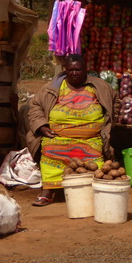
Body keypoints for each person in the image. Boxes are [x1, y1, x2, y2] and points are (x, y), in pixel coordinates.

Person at [26, 54, 117, 206]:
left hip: (90, 139)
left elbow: (115, 101)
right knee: (49, 148)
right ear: (65, 70)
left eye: (78, 69)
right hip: (58, 137)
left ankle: (94, 191)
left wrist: (109, 123)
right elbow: (35, 107)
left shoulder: (99, 86)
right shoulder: (51, 88)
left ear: (85, 70)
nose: (74, 73)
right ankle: (48, 191)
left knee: (94, 157)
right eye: (71, 70)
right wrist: (41, 126)